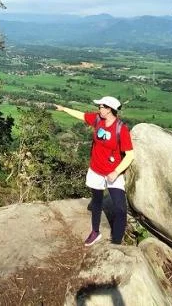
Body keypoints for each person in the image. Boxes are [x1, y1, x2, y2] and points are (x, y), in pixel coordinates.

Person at [55, 96, 135, 246]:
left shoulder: (121, 129)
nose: (99, 109)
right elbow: (82, 116)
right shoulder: (98, 120)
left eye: (101, 107)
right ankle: (95, 232)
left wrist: (116, 172)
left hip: (113, 173)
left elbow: (130, 155)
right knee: (97, 202)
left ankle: (116, 243)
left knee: (120, 209)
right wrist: (64, 109)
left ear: (109, 109)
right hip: (96, 170)